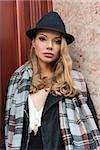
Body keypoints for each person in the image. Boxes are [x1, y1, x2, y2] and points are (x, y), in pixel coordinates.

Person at [5, 11, 100, 150]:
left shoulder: (75, 80)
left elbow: (91, 124)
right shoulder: (17, 80)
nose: (50, 46)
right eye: (43, 39)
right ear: (33, 42)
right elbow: (8, 128)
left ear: (61, 47)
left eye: (57, 41)